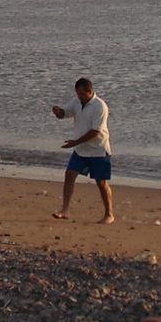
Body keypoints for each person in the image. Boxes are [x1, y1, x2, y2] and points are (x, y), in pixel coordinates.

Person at [51, 77, 114, 223]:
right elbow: (65, 114)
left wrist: (75, 142)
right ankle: (65, 209)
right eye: (77, 94)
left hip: (98, 150)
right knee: (70, 175)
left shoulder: (100, 106)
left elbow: (95, 131)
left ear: (89, 91)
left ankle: (109, 214)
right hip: (80, 150)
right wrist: (58, 111)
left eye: (81, 94)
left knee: (101, 182)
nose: (79, 97)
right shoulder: (76, 102)